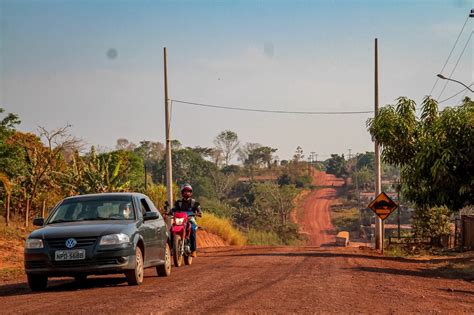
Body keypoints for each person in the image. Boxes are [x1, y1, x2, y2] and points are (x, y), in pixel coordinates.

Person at [171, 184, 202, 257]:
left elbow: (199, 210)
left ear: (191, 193)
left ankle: (193, 250)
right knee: (172, 229)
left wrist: (199, 213)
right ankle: (172, 248)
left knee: (192, 229)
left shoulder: (194, 203)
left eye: (188, 191)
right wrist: (168, 213)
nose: (186, 193)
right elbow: (173, 209)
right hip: (180, 220)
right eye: (185, 191)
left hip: (190, 220)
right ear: (182, 192)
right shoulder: (178, 203)